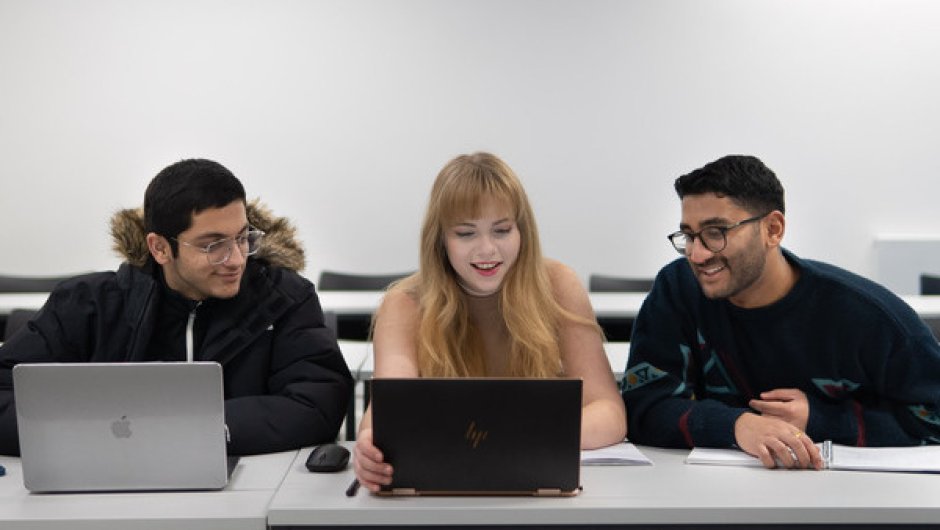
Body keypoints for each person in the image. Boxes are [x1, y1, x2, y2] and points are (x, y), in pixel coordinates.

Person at [0, 158, 353, 455]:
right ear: (159, 248)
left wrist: (187, 430)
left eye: (243, 238)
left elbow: (317, 403)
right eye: (212, 245)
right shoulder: (87, 304)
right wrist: (97, 436)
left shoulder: (284, 298)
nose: (236, 259)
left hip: (245, 493)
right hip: (106, 489)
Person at [622, 154, 940, 470]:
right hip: (718, 497)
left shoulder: (868, 316)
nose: (697, 253)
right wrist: (737, 426)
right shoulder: (679, 289)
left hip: (847, 500)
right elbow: (642, 407)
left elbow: (933, 419)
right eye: (689, 236)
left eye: (716, 232)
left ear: (773, 229)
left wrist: (821, 421)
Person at [353, 152, 627, 492]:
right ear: (441, 239)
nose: (487, 249)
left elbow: (610, 413)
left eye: (502, 230)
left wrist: (507, 439)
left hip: (539, 491)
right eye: (466, 233)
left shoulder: (558, 285)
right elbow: (389, 410)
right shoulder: (404, 304)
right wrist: (369, 445)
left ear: (522, 231)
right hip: (441, 497)